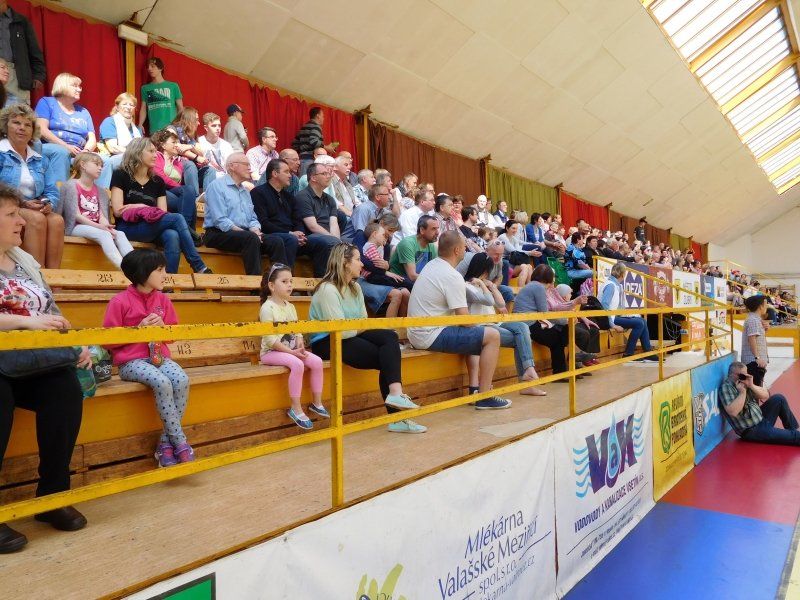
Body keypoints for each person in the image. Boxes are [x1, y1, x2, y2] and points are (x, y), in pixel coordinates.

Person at [0, 183, 88, 553]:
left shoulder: (23, 260)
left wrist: (72, 340)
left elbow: (49, 309)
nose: (21, 221)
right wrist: (23, 322)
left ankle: (52, 496)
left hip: (30, 359)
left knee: (65, 390)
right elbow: (31, 318)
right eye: (11, 215)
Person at [310, 243, 426, 434]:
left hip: (349, 334)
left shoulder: (355, 287)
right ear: (345, 262)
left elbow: (363, 320)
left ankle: (396, 395)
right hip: (326, 341)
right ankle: (397, 418)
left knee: (390, 337)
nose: (362, 264)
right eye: (357, 259)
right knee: (386, 358)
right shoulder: (327, 289)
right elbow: (340, 331)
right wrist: (356, 326)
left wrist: (355, 326)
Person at [104, 249, 194, 467]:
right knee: (162, 383)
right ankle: (180, 441)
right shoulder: (119, 301)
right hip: (130, 363)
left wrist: (162, 328)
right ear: (143, 272)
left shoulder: (163, 299)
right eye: (160, 270)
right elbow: (107, 341)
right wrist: (138, 330)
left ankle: (165, 444)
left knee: (182, 380)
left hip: (160, 358)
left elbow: (172, 335)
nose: (165, 274)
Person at [407, 231, 511, 409]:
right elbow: (464, 319)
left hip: (419, 332)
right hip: (430, 334)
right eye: (464, 247)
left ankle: (475, 389)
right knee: (492, 336)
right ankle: (484, 396)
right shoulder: (451, 275)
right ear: (456, 250)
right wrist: (482, 326)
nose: (466, 250)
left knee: (480, 333)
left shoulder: (432, 265)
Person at [110, 138, 211, 274]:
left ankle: (168, 279)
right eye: (151, 151)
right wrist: (142, 206)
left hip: (151, 225)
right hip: (127, 227)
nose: (155, 155)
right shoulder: (120, 175)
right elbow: (118, 211)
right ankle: (199, 266)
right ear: (137, 152)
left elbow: (162, 213)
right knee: (177, 218)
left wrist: (140, 206)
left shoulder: (157, 181)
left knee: (172, 235)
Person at [463, 253, 545, 397]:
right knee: (521, 339)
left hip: (496, 323)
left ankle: (529, 369)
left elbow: (500, 304)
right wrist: (482, 284)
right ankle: (526, 381)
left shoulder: (485, 285)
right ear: (484, 270)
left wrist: (492, 287)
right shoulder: (467, 286)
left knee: (523, 327)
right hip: (482, 326)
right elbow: (488, 301)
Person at [259, 263, 326, 430]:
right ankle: (295, 408)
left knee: (317, 362)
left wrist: (300, 344)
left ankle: (317, 403)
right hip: (270, 352)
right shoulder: (267, 308)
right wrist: (293, 353)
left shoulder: (291, 307)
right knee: (297, 364)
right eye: (284, 281)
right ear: (272, 286)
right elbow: (270, 340)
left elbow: (297, 331)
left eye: (291, 281)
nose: (289, 285)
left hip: (291, 351)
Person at [203, 151, 288, 275]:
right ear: (232, 166)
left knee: (276, 241)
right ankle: (255, 283)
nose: (250, 168)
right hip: (217, 233)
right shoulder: (216, 186)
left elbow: (253, 218)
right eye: (246, 164)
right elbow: (220, 220)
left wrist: (256, 231)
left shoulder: (245, 191)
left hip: (244, 234)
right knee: (250, 238)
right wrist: (248, 233)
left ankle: (280, 280)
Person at [0, 103, 63, 268]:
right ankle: (36, 275)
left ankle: (55, 278)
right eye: (16, 123)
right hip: (6, 206)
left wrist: (48, 204)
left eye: (27, 125)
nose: (22, 128)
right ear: (5, 126)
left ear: (32, 131)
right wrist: (22, 203)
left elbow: (52, 190)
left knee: (56, 220)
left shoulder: (40, 159)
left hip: (33, 206)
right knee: (36, 219)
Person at [251, 158, 337, 277]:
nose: (290, 175)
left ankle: (321, 282)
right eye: (286, 172)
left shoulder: (289, 197)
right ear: (275, 173)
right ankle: (287, 279)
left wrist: (300, 234)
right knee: (290, 240)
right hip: (273, 235)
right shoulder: (258, 193)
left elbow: (298, 220)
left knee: (322, 243)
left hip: (294, 237)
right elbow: (263, 223)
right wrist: (290, 233)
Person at [59, 152, 133, 268]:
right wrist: (100, 227)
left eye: (101, 165)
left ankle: (136, 264)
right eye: (96, 164)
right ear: (83, 165)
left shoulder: (101, 191)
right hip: (76, 226)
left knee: (119, 234)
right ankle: (125, 268)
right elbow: (75, 215)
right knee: (104, 235)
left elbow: (102, 215)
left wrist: (107, 226)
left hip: (96, 227)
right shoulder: (70, 186)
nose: (100, 168)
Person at [34, 72, 96, 183]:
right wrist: (66, 146)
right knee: (61, 152)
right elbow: (41, 130)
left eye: (80, 86)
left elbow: (92, 139)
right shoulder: (47, 102)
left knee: (103, 160)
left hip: (79, 153)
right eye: (75, 86)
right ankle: (59, 192)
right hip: (52, 147)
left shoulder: (83, 111)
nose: (79, 89)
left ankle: (99, 193)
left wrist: (85, 152)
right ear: (63, 85)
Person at [719, 361, 800, 446]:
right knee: (795, 436)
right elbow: (733, 412)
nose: (745, 377)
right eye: (742, 375)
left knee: (779, 398)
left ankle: (792, 429)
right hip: (752, 430)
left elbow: (765, 396)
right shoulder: (726, 388)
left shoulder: (744, 382)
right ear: (732, 375)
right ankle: (793, 435)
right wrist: (742, 393)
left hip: (761, 418)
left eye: (746, 374)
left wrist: (751, 385)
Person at [599, 261, 657, 361]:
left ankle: (648, 352)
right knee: (639, 323)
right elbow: (604, 306)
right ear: (622, 274)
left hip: (614, 316)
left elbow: (617, 307)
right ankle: (628, 354)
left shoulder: (617, 285)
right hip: (607, 319)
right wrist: (613, 325)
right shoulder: (611, 286)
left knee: (642, 320)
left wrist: (626, 317)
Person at [151, 128, 199, 239]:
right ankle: (188, 231)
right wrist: (181, 188)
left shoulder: (178, 162)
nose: (177, 145)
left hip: (173, 192)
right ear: (163, 145)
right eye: (173, 142)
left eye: (177, 142)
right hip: (160, 191)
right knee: (188, 195)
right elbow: (160, 177)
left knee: (189, 194)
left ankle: (185, 229)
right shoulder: (157, 156)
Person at [360, 221, 410, 317]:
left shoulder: (378, 246)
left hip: (376, 275)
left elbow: (384, 265)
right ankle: (390, 324)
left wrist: (386, 266)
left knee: (405, 291)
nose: (387, 237)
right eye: (383, 235)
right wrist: (386, 270)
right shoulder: (370, 246)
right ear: (374, 234)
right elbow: (378, 264)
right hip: (371, 277)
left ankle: (402, 323)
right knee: (401, 283)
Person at [0, 2, 45, 105]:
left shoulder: (21, 21)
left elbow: (34, 50)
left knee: (16, 112)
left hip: (16, 76)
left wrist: (39, 75)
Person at [97, 92, 142, 190]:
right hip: (112, 158)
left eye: (131, 105)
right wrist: (134, 154)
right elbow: (112, 148)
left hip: (134, 159)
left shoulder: (138, 130)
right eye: (125, 104)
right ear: (117, 107)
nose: (128, 107)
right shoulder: (109, 122)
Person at [166, 107, 207, 196]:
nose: (199, 123)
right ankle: (194, 198)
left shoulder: (190, 133)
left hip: (191, 169)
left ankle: (208, 197)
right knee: (190, 165)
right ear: (189, 119)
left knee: (209, 170)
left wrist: (189, 146)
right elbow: (177, 148)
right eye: (196, 120)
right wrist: (196, 157)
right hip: (174, 164)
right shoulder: (171, 129)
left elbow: (201, 151)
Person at [296, 161, 340, 239]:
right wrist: (333, 240)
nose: (329, 176)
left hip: (329, 237)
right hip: (311, 237)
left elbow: (334, 224)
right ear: (313, 178)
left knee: (351, 243)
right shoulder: (303, 196)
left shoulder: (330, 199)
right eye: (324, 174)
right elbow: (312, 226)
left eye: (329, 173)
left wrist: (338, 242)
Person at [139, 57, 183, 134]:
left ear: (160, 68)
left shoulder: (173, 86)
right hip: (154, 130)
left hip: (171, 129)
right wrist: (140, 123)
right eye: (148, 67)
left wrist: (178, 124)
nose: (149, 69)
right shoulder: (145, 88)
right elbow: (143, 108)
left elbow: (180, 108)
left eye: (152, 66)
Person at [389, 214, 439, 282]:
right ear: (422, 230)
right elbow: (412, 276)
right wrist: (436, 280)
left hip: (418, 283)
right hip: (398, 283)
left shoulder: (432, 246)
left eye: (437, 228)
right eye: (433, 229)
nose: (437, 232)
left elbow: (434, 271)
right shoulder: (407, 244)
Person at [292, 107, 336, 176]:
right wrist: (327, 148)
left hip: (302, 160)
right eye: (323, 116)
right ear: (318, 116)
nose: (323, 118)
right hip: (310, 160)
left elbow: (294, 144)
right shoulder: (316, 127)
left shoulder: (304, 127)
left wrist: (302, 152)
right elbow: (314, 141)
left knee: (303, 180)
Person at [198, 112, 234, 190]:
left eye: (219, 125)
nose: (218, 128)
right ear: (206, 128)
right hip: (206, 177)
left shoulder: (226, 145)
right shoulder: (199, 142)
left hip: (224, 178)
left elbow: (231, 166)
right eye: (214, 126)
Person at [741, 294, 769, 386]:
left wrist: (765, 329)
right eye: (765, 304)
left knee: (757, 388)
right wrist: (757, 358)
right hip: (753, 362)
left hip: (756, 362)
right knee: (755, 389)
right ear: (760, 306)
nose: (767, 307)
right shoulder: (753, 320)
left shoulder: (755, 319)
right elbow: (752, 339)